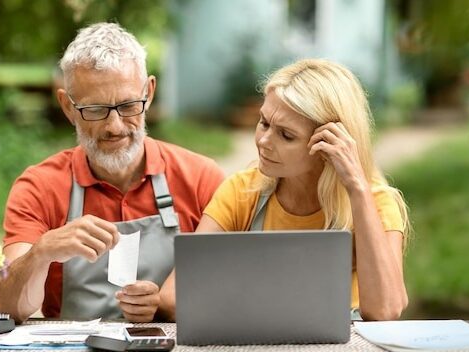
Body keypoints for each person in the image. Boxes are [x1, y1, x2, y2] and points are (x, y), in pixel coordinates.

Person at [0, 22, 225, 323]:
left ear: (149, 93)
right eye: (95, 109)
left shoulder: (201, 178)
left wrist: (165, 304)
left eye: (128, 105)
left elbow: (231, 291)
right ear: (67, 106)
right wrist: (42, 252)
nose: (114, 126)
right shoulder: (39, 187)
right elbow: (8, 310)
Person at [159, 58, 410, 321]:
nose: (264, 142)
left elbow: (386, 310)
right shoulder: (243, 192)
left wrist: (357, 188)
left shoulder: (375, 201)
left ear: (327, 145)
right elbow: (175, 295)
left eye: (286, 135)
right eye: (264, 123)